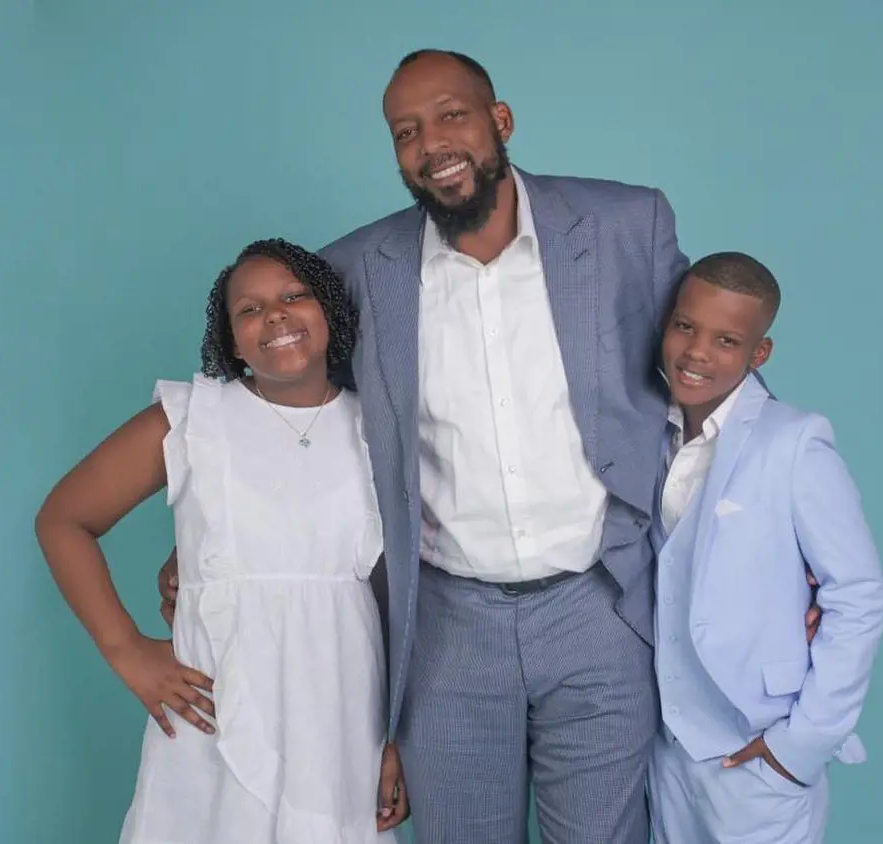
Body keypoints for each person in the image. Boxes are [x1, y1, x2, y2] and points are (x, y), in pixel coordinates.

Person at [157, 50, 819, 843]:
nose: (432, 142)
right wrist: (209, 533)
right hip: (444, 628)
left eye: (451, 115)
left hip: (599, 608)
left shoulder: (622, 226)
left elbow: (710, 367)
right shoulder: (355, 270)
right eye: (406, 131)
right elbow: (298, 410)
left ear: (500, 122)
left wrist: (780, 539)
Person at [36, 239, 408, 843]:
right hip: (217, 705)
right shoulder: (191, 421)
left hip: (340, 712)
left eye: (294, 296)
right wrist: (126, 649)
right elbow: (63, 519)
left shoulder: (377, 428)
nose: (277, 316)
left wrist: (396, 736)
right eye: (250, 309)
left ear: (328, 314)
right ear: (232, 342)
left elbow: (405, 598)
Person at [647, 252, 883, 843]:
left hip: (759, 749)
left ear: (760, 354)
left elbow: (856, 595)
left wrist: (798, 746)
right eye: (685, 327)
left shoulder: (795, 441)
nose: (698, 352)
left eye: (727, 340)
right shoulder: (647, 430)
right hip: (666, 748)